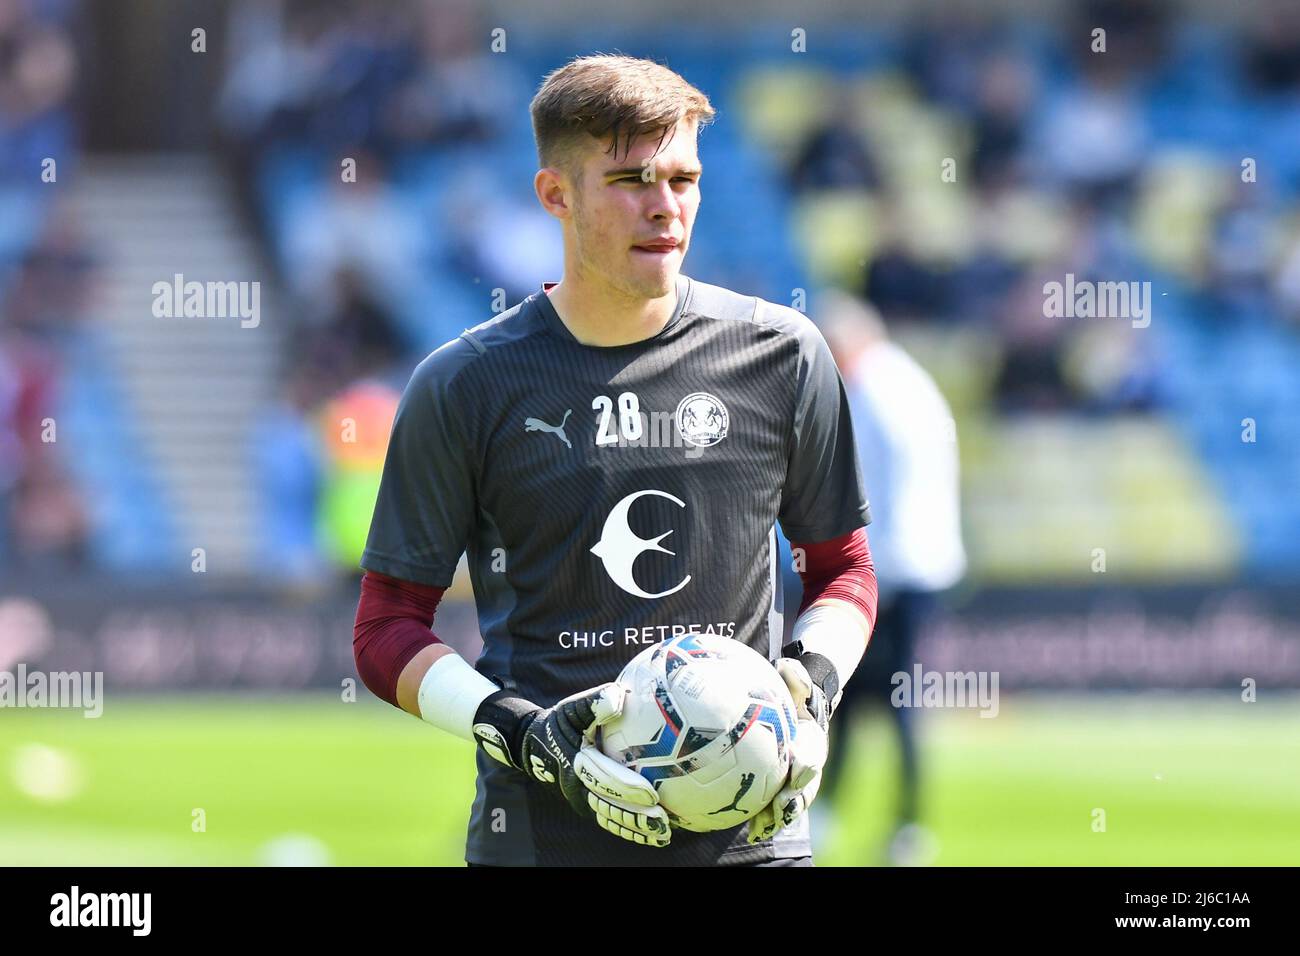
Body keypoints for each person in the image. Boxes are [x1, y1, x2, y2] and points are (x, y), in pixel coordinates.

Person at [353, 55, 878, 867]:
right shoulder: (465, 384)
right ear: (555, 195)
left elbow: (845, 567)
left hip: (752, 843)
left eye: (684, 178)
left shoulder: (784, 355)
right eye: (632, 179)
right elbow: (386, 626)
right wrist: (520, 730)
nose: (665, 207)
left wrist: (810, 685)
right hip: (542, 839)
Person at [816, 289, 966, 866]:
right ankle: (884, 822)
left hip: (895, 570)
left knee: (871, 697)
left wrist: (872, 570)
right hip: (917, 565)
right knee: (870, 698)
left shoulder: (875, 392)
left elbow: (887, 490)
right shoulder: (904, 381)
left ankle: (899, 825)